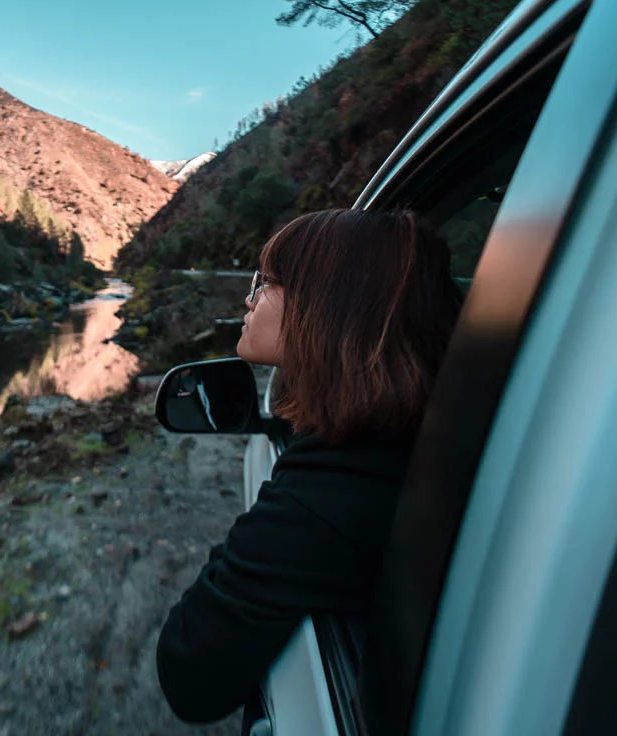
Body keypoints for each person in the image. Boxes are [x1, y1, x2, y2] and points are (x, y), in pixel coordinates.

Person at [156, 208, 463, 725]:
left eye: (266, 282)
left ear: (327, 307)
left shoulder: (333, 488)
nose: (249, 297)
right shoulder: (415, 436)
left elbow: (187, 670)